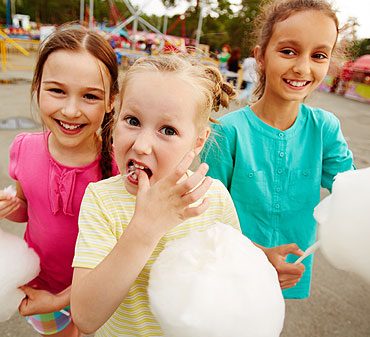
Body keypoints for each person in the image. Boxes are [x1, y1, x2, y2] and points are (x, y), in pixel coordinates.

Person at [70, 54, 241, 336]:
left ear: (198, 142)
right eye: (133, 121)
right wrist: (146, 228)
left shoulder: (215, 199)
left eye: (168, 130)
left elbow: (232, 279)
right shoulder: (101, 201)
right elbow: (86, 317)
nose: (142, 145)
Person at [201, 0, 354, 299]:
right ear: (260, 56)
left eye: (319, 55)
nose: (302, 67)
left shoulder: (325, 128)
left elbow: (351, 190)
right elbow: (206, 216)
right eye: (288, 51)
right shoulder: (227, 131)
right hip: (229, 271)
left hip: (289, 273)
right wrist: (258, 254)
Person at [0, 25, 119, 336]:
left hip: (95, 291)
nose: (70, 110)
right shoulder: (24, 148)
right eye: (56, 90)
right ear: (37, 87)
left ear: (111, 102)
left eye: (90, 96)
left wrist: (61, 300)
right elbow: (27, 209)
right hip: (40, 285)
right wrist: (7, 207)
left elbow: (122, 254)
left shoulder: (120, 166)